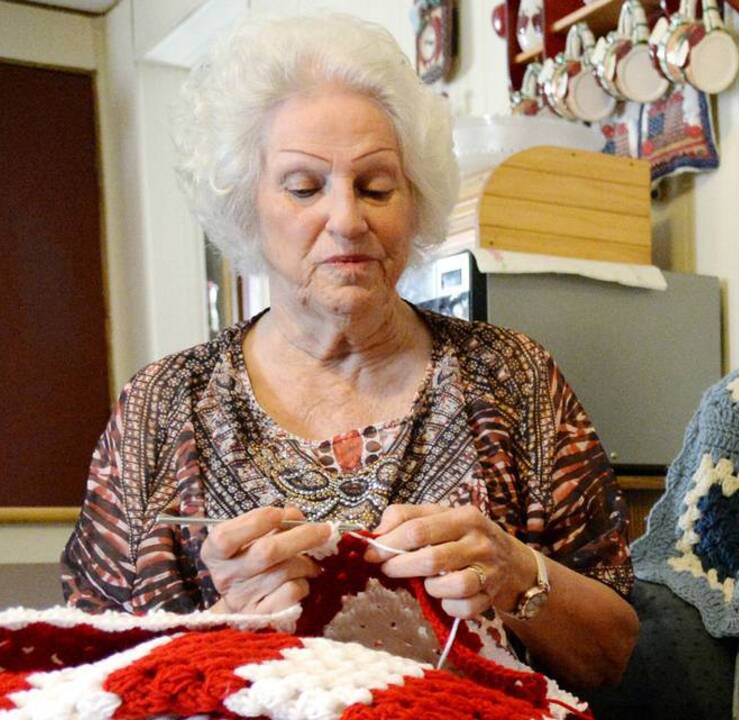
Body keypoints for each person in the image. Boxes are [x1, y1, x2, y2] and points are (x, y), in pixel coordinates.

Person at [60, 12, 638, 687]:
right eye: (304, 187)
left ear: (413, 200)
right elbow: (83, 679)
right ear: (246, 204)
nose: (347, 219)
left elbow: (620, 655)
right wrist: (224, 623)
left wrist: (516, 574)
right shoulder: (162, 412)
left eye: (375, 187)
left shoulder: (512, 380)